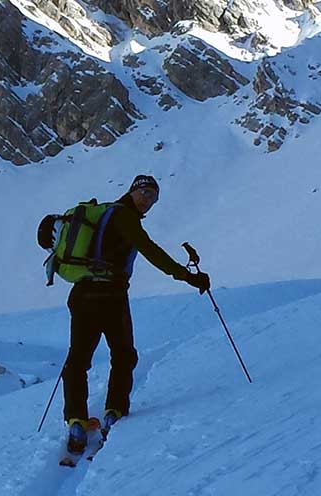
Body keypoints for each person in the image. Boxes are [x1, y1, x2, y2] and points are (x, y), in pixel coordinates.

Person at [50, 174, 208, 450]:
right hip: (111, 296)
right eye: (145, 194)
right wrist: (188, 277)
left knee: (78, 358)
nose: (149, 202)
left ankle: (76, 421)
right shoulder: (125, 218)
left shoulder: (104, 214)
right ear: (133, 192)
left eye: (154, 198)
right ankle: (114, 412)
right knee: (123, 355)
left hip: (83, 294)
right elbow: (151, 252)